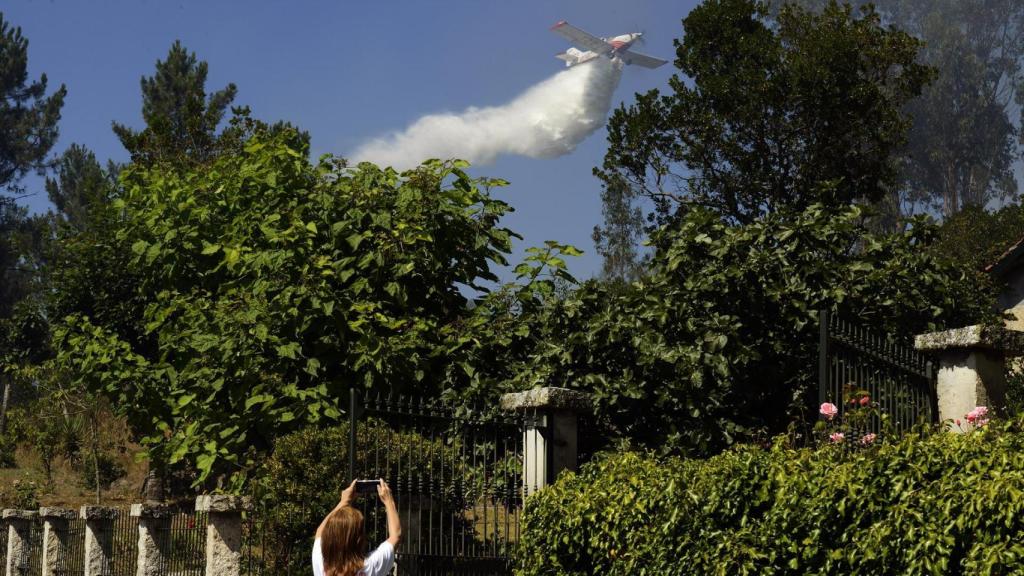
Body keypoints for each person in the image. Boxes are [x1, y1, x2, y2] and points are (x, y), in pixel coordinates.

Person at [312, 479, 401, 576]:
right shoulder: (369, 567)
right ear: (359, 540)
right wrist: (389, 502)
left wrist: (343, 502)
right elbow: (396, 536)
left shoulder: (321, 564)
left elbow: (320, 531)